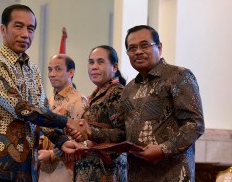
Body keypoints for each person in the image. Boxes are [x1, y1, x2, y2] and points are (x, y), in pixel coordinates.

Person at [0, 4, 84, 182]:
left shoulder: (32, 68)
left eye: (31, 29)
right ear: (3, 29)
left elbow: (42, 108)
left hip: (29, 166)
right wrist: (67, 121)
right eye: (18, 26)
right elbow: (21, 108)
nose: (25, 34)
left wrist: (61, 141)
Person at [120, 25, 205, 182]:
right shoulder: (129, 89)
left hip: (172, 174)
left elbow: (195, 124)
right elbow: (121, 132)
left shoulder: (178, 76)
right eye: (132, 48)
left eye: (144, 45)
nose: (138, 51)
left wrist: (163, 149)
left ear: (159, 47)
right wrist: (89, 133)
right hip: (137, 175)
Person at [74, 45, 128, 182]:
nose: (94, 66)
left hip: (107, 171)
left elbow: (123, 134)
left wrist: (90, 132)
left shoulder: (117, 92)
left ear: (114, 67)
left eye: (100, 62)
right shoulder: (97, 94)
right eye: (91, 62)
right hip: (91, 171)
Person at [38, 54, 88, 182]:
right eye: (50, 69)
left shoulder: (79, 100)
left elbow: (82, 141)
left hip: (67, 169)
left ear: (71, 72)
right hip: (44, 168)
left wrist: (51, 154)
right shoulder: (48, 101)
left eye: (58, 69)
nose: (52, 74)